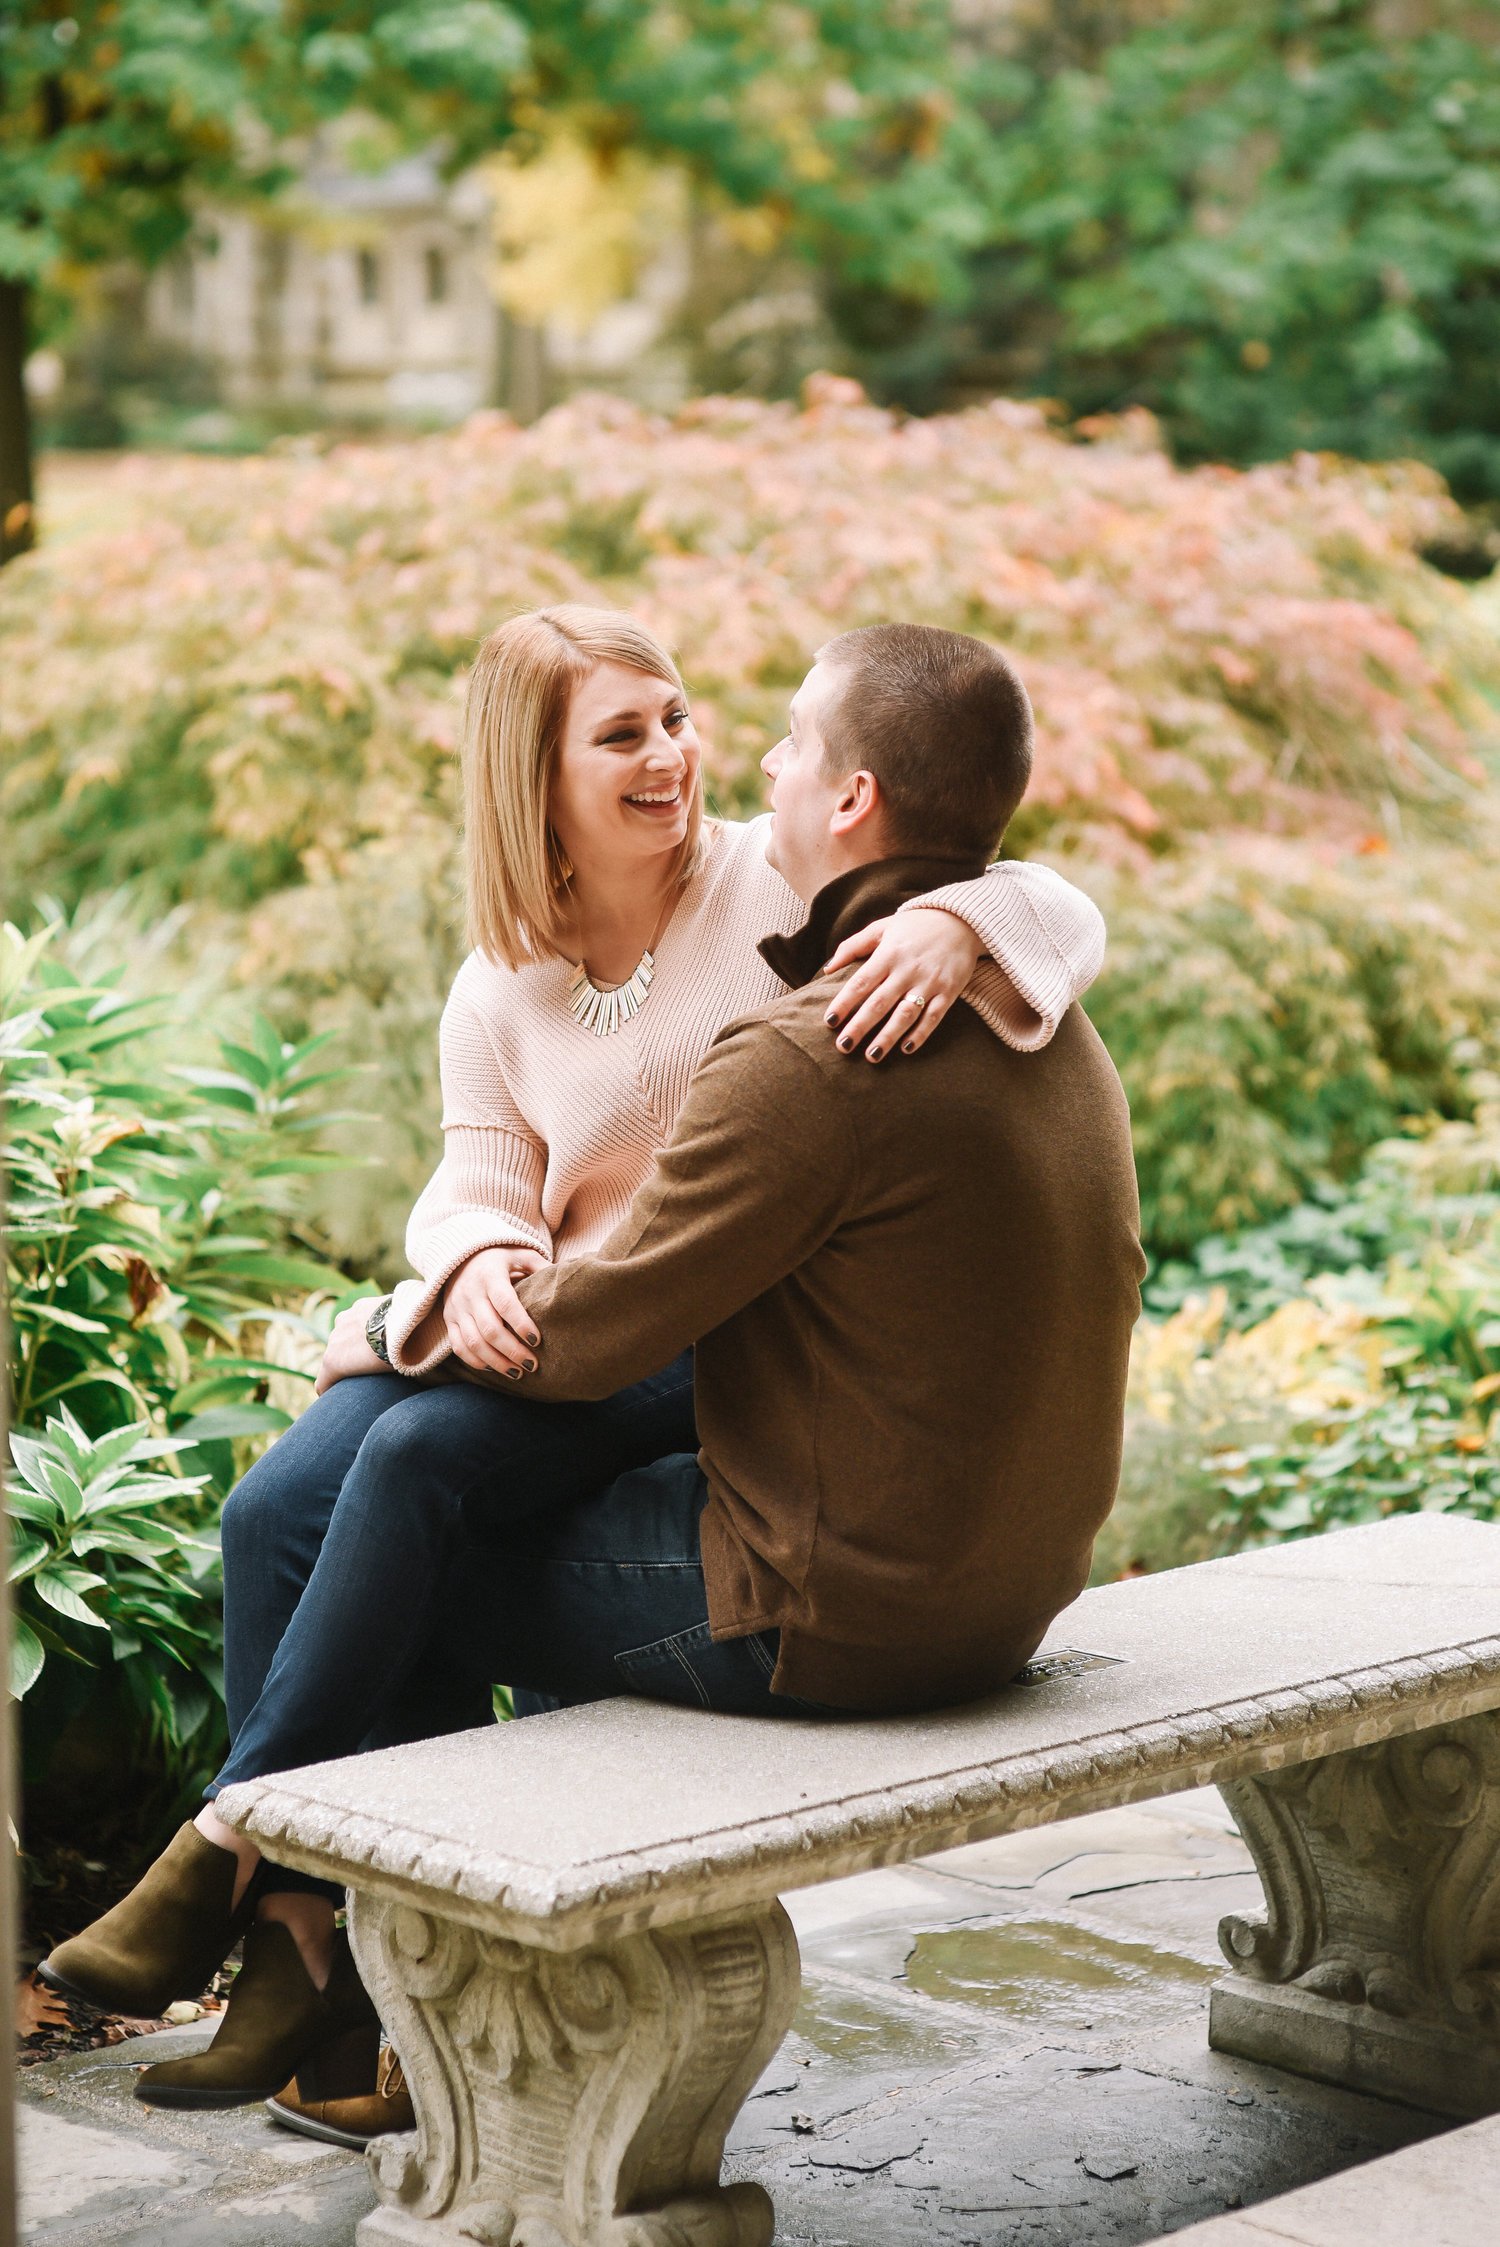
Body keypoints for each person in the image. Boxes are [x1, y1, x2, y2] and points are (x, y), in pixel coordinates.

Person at [39, 609, 1108, 2122]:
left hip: (699, 1344)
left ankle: (274, 1874)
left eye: (681, 718)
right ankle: (304, 1957)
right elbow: (479, 1182)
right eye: (626, 733)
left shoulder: (784, 900)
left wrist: (967, 921)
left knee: (413, 1474)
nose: (685, 754)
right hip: (563, 1322)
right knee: (280, 1510)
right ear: (527, 779)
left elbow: (1019, 877)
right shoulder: (502, 981)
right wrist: (468, 1268)